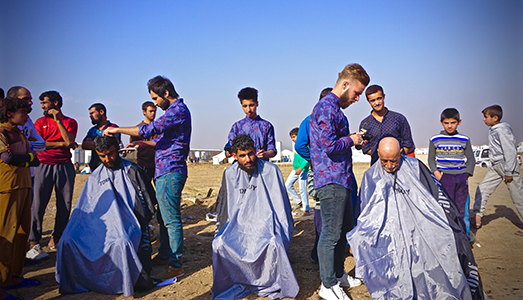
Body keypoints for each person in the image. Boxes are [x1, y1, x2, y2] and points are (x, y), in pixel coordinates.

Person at [347, 137, 485, 300]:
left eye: (394, 160)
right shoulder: (371, 176)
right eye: (385, 161)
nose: (390, 166)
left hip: (419, 231)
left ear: (401, 153)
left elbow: (436, 198)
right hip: (390, 238)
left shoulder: (415, 167)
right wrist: (357, 240)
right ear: (377, 153)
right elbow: (365, 213)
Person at [104, 75, 191, 280]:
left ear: (165, 93)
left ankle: (176, 264)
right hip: (164, 170)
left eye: (155, 98)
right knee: (164, 217)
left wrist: (117, 130)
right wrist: (140, 144)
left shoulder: (177, 110)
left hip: (170, 170)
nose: (154, 103)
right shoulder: (174, 112)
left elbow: (149, 129)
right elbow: (158, 140)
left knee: (171, 219)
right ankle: (164, 254)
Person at [56, 136, 156, 296]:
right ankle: (79, 280)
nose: (107, 159)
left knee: (121, 242)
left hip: (127, 223)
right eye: (102, 156)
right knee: (67, 240)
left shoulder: (132, 171)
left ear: (117, 148)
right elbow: (87, 206)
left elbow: (146, 206)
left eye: (111, 154)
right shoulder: (95, 175)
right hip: (98, 225)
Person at [212, 134, 298, 299]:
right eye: (242, 156)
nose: (248, 159)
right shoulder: (229, 174)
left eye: (250, 153)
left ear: (256, 151)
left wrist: (280, 231)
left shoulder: (271, 171)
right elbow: (225, 208)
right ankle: (236, 280)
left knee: (274, 242)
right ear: (234, 155)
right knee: (219, 243)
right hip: (239, 227)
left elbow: (281, 208)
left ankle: (268, 282)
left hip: (266, 225)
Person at [310, 64, 369, 300]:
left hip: (343, 178)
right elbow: (328, 145)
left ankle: (337, 274)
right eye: (356, 93)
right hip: (330, 179)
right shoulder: (325, 108)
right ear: (345, 85)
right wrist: (351, 139)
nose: (356, 99)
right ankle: (327, 285)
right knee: (331, 234)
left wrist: (353, 140)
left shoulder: (337, 111)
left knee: (343, 231)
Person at [0, 97, 41, 300]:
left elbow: (37, 157)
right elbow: (7, 158)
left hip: (24, 186)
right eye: (23, 112)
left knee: (21, 234)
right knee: (6, 235)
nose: (26, 116)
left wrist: (25, 160)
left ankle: (14, 276)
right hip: (7, 189)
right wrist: (28, 159)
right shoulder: (1, 132)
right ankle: (1, 281)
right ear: (10, 113)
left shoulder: (19, 134)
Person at [29, 91, 78, 253]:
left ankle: (57, 237)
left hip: (64, 166)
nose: (42, 106)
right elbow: (39, 144)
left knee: (64, 205)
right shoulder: (39, 121)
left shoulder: (70, 122)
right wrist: (62, 144)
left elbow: (69, 141)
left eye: (44, 103)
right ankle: (33, 241)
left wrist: (58, 123)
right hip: (42, 165)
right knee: (37, 205)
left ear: (55, 103)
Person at [473, 105, 523, 236]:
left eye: (486, 117)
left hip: (507, 166)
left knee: (518, 198)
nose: (483, 120)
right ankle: (477, 216)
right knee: (482, 189)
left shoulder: (502, 130)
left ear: (495, 118)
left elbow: (510, 151)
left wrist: (509, 172)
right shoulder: (494, 129)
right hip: (496, 166)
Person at [358, 84, 415, 165]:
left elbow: (408, 143)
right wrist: (382, 157)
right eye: (373, 100)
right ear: (368, 101)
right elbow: (366, 148)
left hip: (400, 166)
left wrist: (396, 157)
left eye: (379, 98)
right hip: (377, 167)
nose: (377, 103)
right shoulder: (365, 124)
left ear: (384, 97)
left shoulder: (399, 118)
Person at [224, 87, 276, 160]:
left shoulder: (267, 126)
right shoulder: (237, 127)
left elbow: (272, 150)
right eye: (245, 106)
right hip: (241, 168)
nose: (248, 109)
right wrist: (228, 152)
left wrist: (265, 154)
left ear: (257, 104)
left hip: (261, 168)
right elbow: (229, 149)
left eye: (251, 105)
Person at [82, 103, 121, 171]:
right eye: (90, 114)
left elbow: (114, 144)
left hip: (111, 165)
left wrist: (93, 142)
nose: (90, 116)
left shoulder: (113, 127)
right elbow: (84, 145)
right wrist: (104, 141)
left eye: (92, 113)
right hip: (95, 167)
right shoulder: (92, 130)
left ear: (101, 112)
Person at [128, 101, 157, 181]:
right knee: (145, 190)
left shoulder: (159, 128)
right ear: (144, 112)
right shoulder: (137, 129)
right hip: (143, 164)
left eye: (154, 111)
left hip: (157, 165)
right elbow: (132, 147)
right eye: (151, 111)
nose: (153, 113)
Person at [285, 127, 310, 215]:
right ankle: (300, 202)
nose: (293, 139)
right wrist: (296, 167)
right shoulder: (296, 146)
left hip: (303, 170)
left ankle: (306, 209)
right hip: (295, 169)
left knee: (302, 189)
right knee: (287, 185)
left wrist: (301, 168)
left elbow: (307, 158)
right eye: (292, 137)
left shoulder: (305, 145)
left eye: (294, 136)